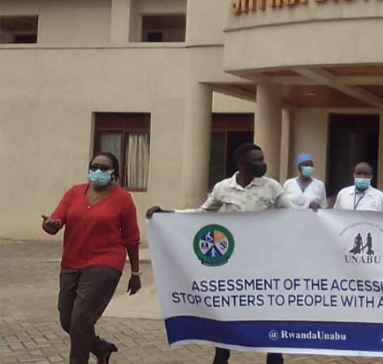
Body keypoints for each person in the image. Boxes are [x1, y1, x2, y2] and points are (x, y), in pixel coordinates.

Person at [147, 143, 296, 364]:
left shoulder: (271, 187)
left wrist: (314, 214)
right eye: (257, 161)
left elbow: (293, 212)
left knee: (268, 305)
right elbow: (202, 213)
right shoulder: (223, 188)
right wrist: (167, 215)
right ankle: (222, 352)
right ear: (242, 164)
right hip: (232, 259)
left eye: (262, 159)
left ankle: (274, 354)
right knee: (228, 305)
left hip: (263, 257)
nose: (262, 165)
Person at [42, 152, 141, 364]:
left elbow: (132, 238)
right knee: (66, 318)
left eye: (104, 168)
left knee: (80, 319)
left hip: (106, 263)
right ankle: (100, 348)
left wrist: (135, 272)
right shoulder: (74, 193)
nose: (98, 171)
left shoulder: (123, 199)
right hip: (71, 262)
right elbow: (54, 222)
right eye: (95, 166)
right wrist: (49, 225)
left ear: (115, 173)